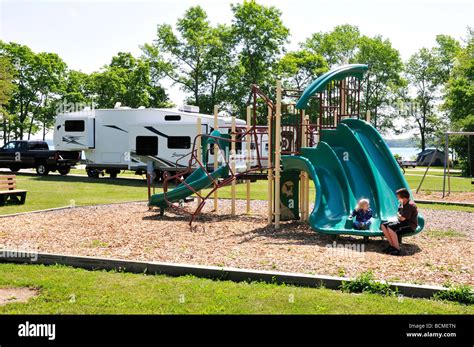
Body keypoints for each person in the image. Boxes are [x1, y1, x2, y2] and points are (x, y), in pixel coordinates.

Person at [381, 188, 418, 256]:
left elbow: (402, 218)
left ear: (403, 197)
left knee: (391, 228)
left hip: (410, 225)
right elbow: (399, 214)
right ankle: (392, 246)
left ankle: (397, 249)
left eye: (398, 196)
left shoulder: (410, 205)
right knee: (383, 225)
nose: (397, 198)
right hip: (402, 222)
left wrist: (398, 215)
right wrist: (398, 214)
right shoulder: (402, 203)